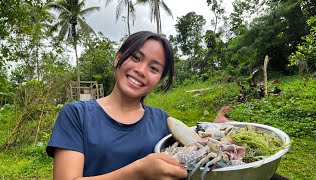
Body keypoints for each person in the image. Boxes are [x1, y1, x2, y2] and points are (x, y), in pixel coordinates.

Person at [46, 31, 231, 179]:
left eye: (154, 68)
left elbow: (193, 152)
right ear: (118, 58)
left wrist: (214, 131)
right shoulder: (77, 115)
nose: (141, 70)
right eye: (135, 58)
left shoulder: (162, 121)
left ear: (158, 80)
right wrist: (137, 172)